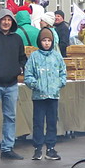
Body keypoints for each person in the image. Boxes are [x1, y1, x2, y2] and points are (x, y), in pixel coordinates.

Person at [0, 9, 28, 161]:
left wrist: (20, 68)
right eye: (4, 19)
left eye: (9, 20)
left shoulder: (17, 39)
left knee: (11, 117)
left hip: (12, 84)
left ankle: (7, 148)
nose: (6, 22)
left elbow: (23, 58)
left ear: (13, 22)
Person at [24, 26, 67, 160]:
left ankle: (51, 147)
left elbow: (63, 72)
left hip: (53, 95)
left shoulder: (57, 56)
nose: (47, 43)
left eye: (49, 40)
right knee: (38, 122)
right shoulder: (34, 57)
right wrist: (35, 84)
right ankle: (37, 148)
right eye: (44, 40)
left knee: (52, 121)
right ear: (39, 42)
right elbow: (28, 74)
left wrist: (59, 83)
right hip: (39, 96)